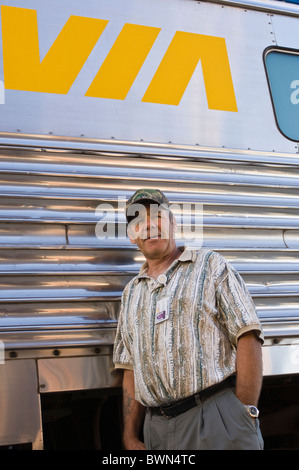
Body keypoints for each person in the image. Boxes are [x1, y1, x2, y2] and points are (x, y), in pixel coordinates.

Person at [113, 188, 264, 450]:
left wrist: (243, 412)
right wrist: (130, 435)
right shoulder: (131, 293)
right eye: (138, 221)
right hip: (156, 429)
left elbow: (247, 335)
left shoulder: (210, 265)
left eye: (158, 216)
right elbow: (130, 369)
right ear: (131, 236)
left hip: (214, 418)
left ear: (173, 223)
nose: (149, 225)